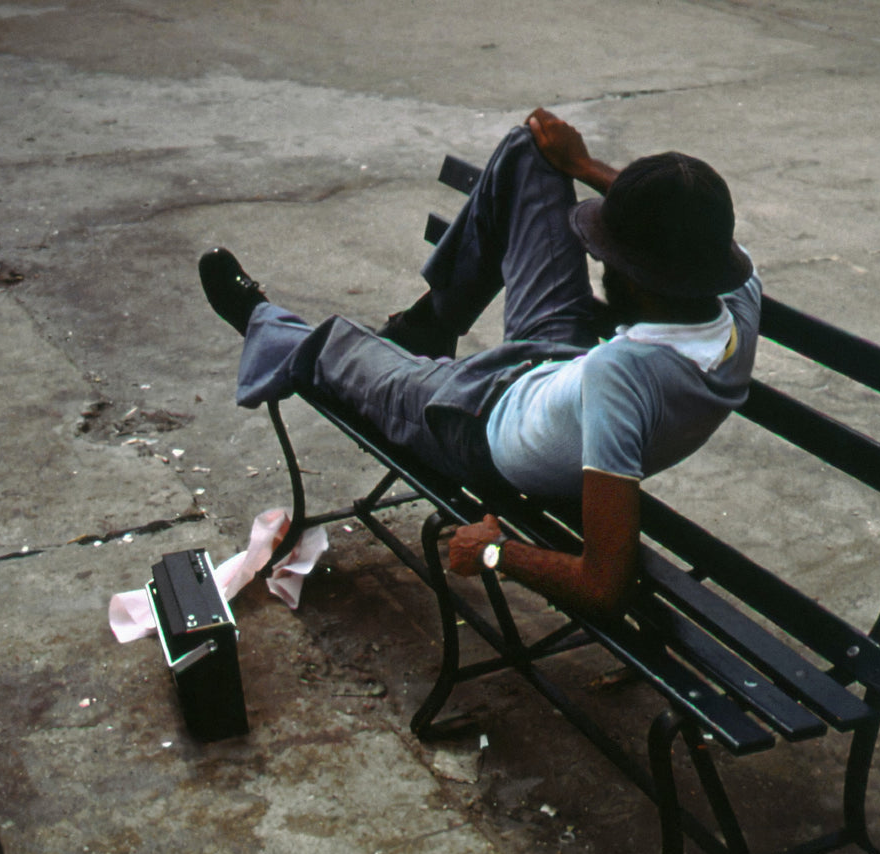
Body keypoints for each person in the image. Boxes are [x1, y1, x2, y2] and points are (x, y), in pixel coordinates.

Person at [199, 108, 761, 619]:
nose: (597, 254)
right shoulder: (738, 298)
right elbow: (677, 229)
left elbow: (604, 583)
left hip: (477, 420)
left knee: (336, 347)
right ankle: (429, 327)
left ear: (635, 274)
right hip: (556, 364)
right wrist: (580, 165)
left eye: (608, 251)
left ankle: (262, 322)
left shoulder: (627, 379)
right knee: (529, 153)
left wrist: (496, 551)